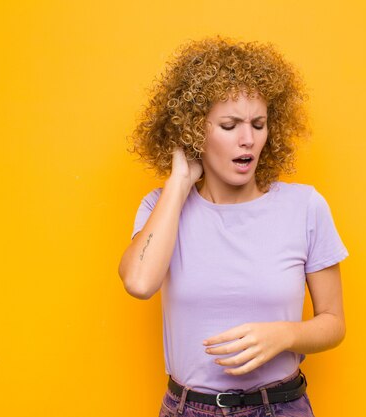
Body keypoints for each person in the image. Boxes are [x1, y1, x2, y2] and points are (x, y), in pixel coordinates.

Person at [118, 36, 349, 417]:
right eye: (229, 125)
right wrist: (178, 184)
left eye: (258, 124)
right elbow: (139, 283)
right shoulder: (161, 210)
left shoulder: (305, 206)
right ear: (194, 131)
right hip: (188, 409)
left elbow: (334, 322)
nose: (248, 140)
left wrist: (285, 334)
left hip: (280, 407)